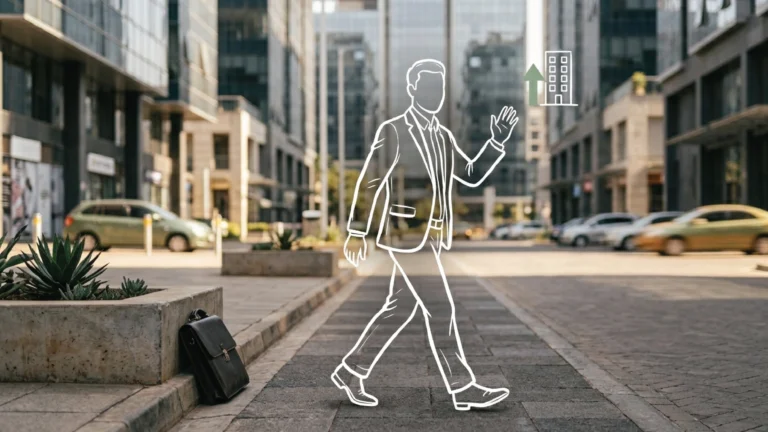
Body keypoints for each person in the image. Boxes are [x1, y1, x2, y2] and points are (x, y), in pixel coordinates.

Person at [331, 59, 519, 411]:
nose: (435, 95)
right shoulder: (394, 130)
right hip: (406, 238)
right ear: (414, 89)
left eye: (440, 89)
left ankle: (351, 370)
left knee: (398, 308)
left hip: (433, 236)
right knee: (440, 306)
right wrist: (357, 231)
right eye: (428, 87)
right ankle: (462, 388)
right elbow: (371, 180)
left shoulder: (443, 136)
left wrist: (496, 142)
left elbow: (472, 175)